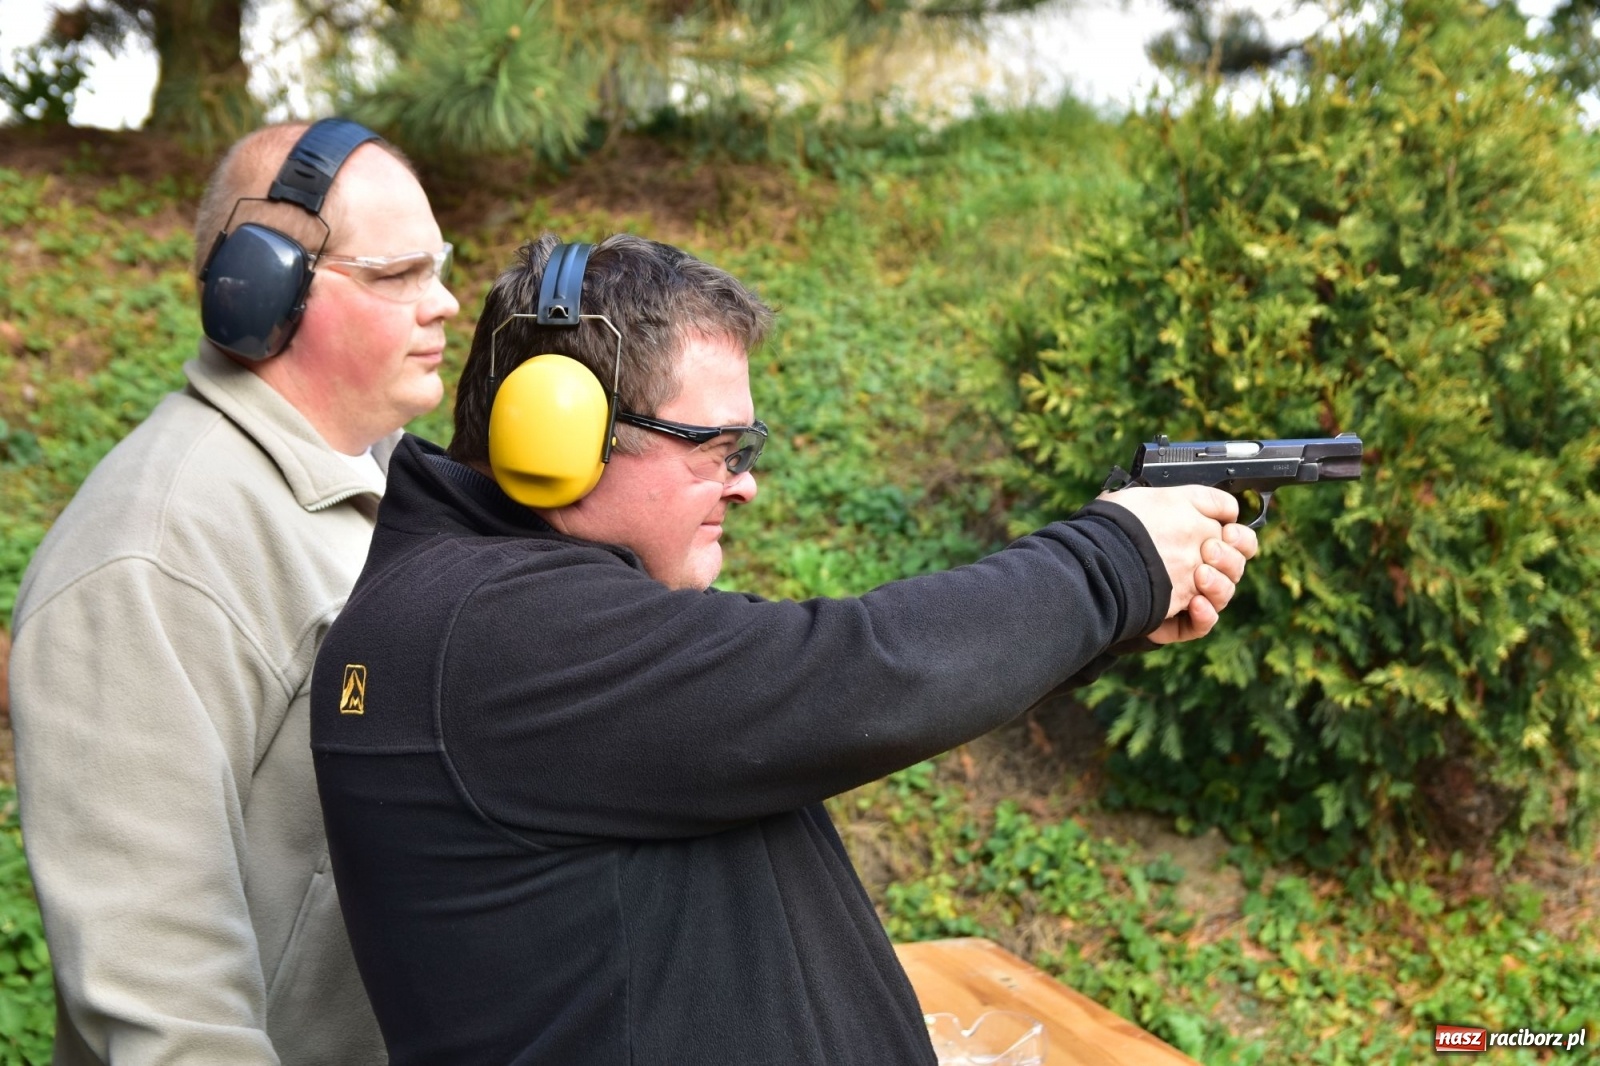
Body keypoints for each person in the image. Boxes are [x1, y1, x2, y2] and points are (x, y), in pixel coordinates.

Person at [309, 233, 1257, 1065]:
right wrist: (1113, 564)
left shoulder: (492, 611)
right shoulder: (491, 634)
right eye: (720, 449)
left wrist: (1105, 618)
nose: (744, 485)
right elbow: (859, 675)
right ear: (557, 432)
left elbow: (799, 695)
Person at [8, 118, 460, 1064]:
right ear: (262, 290)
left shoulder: (385, 487)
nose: (446, 303)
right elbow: (166, 1009)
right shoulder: (154, 559)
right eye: (396, 275)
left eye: (440, 267)